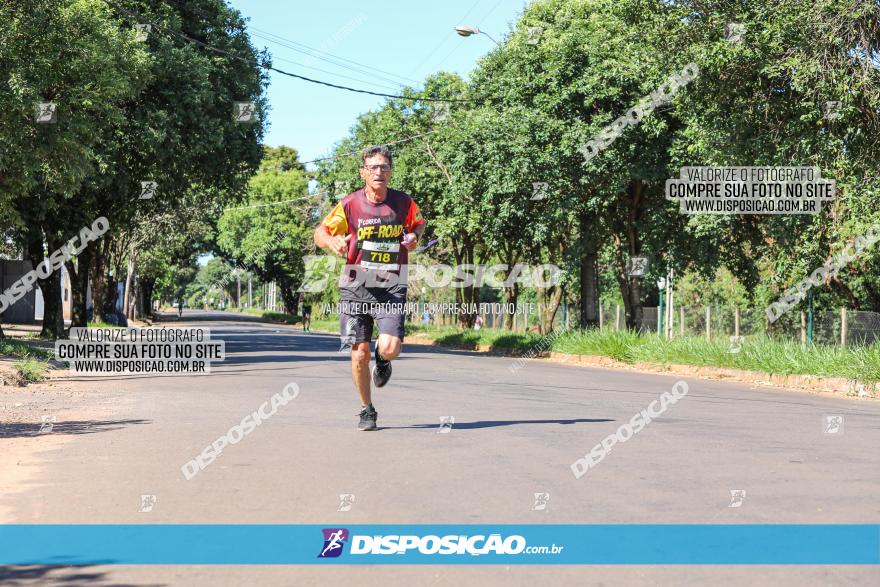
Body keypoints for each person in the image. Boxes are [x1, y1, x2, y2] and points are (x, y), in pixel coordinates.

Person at [313, 145, 425, 431]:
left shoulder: (403, 202)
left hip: (391, 283)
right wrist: (332, 242)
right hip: (355, 285)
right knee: (358, 350)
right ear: (363, 172)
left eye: (384, 167)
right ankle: (366, 408)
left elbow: (418, 225)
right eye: (373, 167)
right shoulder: (350, 204)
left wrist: (413, 237)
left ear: (390, 172)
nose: (379, 172)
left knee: (390, 347)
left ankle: (383, 360)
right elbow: (320, 233)